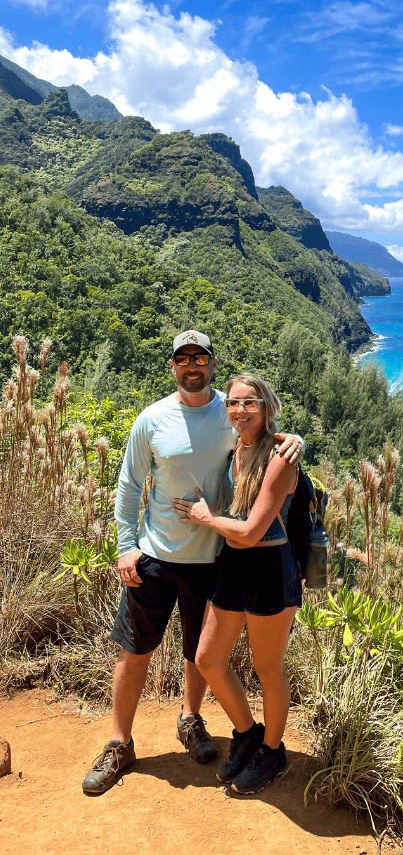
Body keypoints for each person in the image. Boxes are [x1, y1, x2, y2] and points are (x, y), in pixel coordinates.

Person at [81, 332, 303, 795]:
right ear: (173, 366)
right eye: (183, 359)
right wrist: (126, 545)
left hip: (224, 561)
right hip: (159, 556)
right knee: (147, 650)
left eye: (199, 357)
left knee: (217, 659)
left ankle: (208, 727)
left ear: (212, 363)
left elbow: (266, 440)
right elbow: (127, 487)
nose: (192, 365)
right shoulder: (155, 419)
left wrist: (294, 438)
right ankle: (122, 744)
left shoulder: (239, 420)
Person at [171, 371, 301, 794]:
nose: (240, 410)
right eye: (233, 402)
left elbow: (251, 532)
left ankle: (271, 751)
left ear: (266, 406)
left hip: (269, 568)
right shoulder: (237, 450)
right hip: (233, 565)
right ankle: (246, 734)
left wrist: (205, 517)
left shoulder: (280, 459)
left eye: (250, 402)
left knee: (267, 670)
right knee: (208, 657)